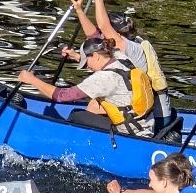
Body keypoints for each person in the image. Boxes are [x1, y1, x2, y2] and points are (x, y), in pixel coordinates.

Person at [63, 0, 174, 128]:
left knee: (92, 107)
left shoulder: (133, 48)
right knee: (96, 102)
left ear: (116, 34)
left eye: (106, 33)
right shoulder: (120, 49)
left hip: (156, 117)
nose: (103, 37)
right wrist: (79, 11)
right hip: (143, 110)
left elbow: (103, 26)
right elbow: (93, 36)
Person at [17, 35, 150, 135]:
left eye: (87, 62)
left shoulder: (103, 78)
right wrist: (76, 56)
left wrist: (32, 80)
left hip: (130, 131)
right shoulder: (121, 58)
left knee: (77, 115)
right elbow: (98, 61)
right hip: (145, 124)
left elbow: (62, 96)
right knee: (93, 104)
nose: (88, 68)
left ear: (96, 55)